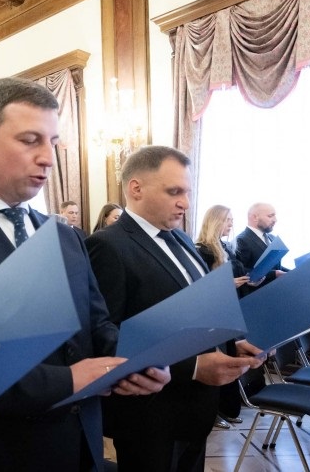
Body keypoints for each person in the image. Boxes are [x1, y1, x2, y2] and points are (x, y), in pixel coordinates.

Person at [0, 77, 169, 472]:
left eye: (52, 142)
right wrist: (67, 381)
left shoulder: (64, 235)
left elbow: (96, 324)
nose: (48, 158)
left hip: (81, 443)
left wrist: (138, 361)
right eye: (30, 140)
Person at [87, 145, 265, 472]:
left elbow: (200, 308)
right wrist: (192, 367)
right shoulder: (107, 245)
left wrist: (231, 343)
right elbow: (107, 336)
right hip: (151, 415)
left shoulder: (181, 239)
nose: (185, 202)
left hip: (197, 408)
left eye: (187, 192)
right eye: (174, 192)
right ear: (136, 188)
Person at [193, 204, 251, 429]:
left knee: (228, 357)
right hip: (211, 315)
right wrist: (228, 284)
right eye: (227, 220)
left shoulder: (225, 247)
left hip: (228, 310)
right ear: (215, 221)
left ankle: (227, 409)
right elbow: (199, 287)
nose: (231, 224)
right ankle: (214, 412)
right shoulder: (202, 250)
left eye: (232, 220)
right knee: (217, 360)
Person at [233, 202, 287, 287]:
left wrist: (293, 271)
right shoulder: (240, 240)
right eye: (270, 216)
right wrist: (273, 274)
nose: (275, 220)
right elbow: (240, 271)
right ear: (255, 217)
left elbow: (276, 267)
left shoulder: (272, 237)